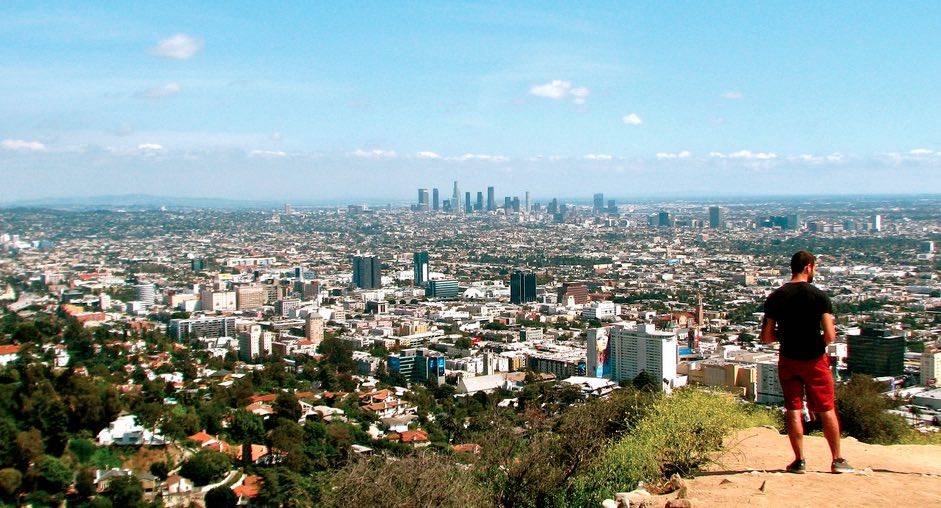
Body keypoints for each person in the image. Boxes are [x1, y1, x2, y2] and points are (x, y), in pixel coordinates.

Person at [760, 250, 854, 474]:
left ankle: (799, 460)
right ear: (808, 268)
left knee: (793, 408)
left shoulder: (776, 297)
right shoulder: (819, 297)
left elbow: (766, 337)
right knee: (826, 408)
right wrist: (816, 341)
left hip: (788, 358)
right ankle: (837, 459)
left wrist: (786, 337)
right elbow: (830, 335)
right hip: (814, 359)